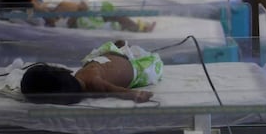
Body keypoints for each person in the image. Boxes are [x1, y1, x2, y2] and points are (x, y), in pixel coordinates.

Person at [20, 40, 163, 104]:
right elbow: (116, 91)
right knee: (154, 64)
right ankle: (125, 50)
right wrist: (136, 95)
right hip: (138, 68)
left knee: (114, 47)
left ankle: (123, 50)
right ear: (63, 72)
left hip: (112, 57)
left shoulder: (82, 76)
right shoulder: (94, 83)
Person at [0, 0, 155, 32]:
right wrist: (35, 6)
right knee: (113, 18)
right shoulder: (34, 13)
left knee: (110, 11)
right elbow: (44, 20)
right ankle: (137, 27)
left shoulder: (39, 4)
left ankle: (135, 25)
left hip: (80, 13)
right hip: (77, 20)